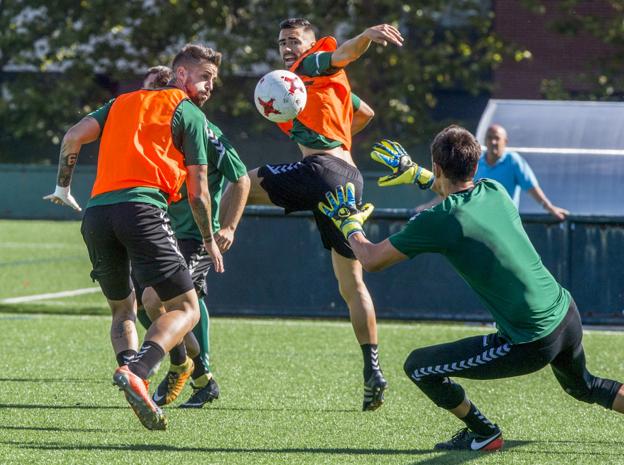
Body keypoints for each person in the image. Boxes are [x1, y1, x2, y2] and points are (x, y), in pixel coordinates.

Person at [318, 126, 624, 451]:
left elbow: (372, 260)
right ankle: (485, 432)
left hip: (530, 340)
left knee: (419, 367)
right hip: (565, 313)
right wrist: (416, 174)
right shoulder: (494, 189)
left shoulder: (439, 220)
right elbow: (457, 190)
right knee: (585, 386)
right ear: (476, 167)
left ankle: (484, 432)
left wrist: (349, 224)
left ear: (437, 167)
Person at [222, 18, 428, 411]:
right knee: (351, 283)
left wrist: (365, 37)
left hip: (322, 171)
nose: (287, 47)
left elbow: (341, 54)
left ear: (311, 44)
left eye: (294, 40)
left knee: (239, 183)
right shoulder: (318, 86)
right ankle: (372, 368)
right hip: (351, 177)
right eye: (282, 41)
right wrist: (337, 134)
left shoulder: (311, 65)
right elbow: (364, 111)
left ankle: (210, 242)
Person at [43, 44, 225, 430]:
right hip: (142, 211)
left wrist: (63, 188)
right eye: (205, 76)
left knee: (123, 309)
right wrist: (208, 238)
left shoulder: (120, 103)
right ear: (180, 75)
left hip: (96, 215)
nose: (210, 86)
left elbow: (73, 136)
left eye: (213, 80)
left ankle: (132, 379)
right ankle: (139, 372)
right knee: (187, 308)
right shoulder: (188, 112)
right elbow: (199, 191)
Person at [134, 66, 250, 408]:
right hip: (160, 231)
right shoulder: (151, 130)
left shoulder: (205, 129)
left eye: (213, 79)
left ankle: (187, 368)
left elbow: (240, 177)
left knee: (160, 301)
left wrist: (227, 227)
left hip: (194, 235)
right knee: (153, 305)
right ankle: (200, 377)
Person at [476, 124, 569, 220]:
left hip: (506, 222)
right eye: (489, 138)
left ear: (505, 141)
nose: (493, 142)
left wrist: (549, 207)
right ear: (485, 141)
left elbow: (531, 187)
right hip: (481, 222)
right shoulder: (476, 163)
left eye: (497, 138)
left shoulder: (513, 161)